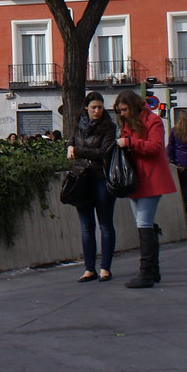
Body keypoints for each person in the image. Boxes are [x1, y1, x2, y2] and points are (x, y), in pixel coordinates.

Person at [114, 89, 177, 289]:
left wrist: (129, 143)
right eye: (119, 111)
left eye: (124, 110)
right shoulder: (129, 123)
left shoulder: (153, 121)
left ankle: (147, 273)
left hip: (150, 179)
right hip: (137, 179)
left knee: (143, 224)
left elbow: (156, 147)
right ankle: (152, 271)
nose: (121, 113)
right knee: (144, 224)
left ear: (132, 106)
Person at [66, 91, 117, 282]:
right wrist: (70, 147)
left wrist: (77, 150)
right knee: (86, 227)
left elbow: (104, 151)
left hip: (101, 178)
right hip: (82, 178)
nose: (97, 111)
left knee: (105, 224)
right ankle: (89, 269)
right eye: (94, 107)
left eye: (100, 107)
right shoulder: (78, 125)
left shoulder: (109, 127)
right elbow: (72, 142)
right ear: (86, 108)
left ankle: (105, 268)